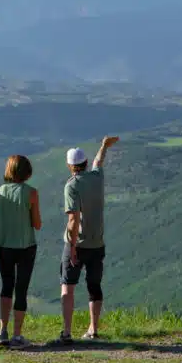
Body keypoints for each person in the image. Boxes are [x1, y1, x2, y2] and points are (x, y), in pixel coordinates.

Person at [51, 135, 119, 345]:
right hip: (97, 243)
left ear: (70, 166)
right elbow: (99, 162)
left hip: (77, 244)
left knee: (67, 286)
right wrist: (103, 147)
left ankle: (67, 331)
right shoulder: (97, 178)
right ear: (85, 164)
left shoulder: (71, 186)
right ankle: (93, 329)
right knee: (94, 285)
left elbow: (73, 219)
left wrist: (71, 248)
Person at [0, 154, 42, 347]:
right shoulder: (31, 193)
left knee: (6, 287)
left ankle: (2, 331)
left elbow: (0, 214)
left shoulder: (0, 191)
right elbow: (37, 224)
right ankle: (17, 335)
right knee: (21, 289)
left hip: (4, 244)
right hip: (25, 245)